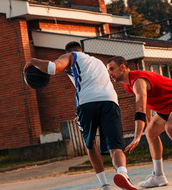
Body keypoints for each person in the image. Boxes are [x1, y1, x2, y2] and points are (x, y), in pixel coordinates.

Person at [24, 42, 137, 190]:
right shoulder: (97, 62)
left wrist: (33, 61)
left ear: (69, 52)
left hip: (87, 103)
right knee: (115, 146)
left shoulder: (70, 56)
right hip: (110, 101)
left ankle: (104, 184)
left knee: (90, 145)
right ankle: (123, 174)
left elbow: (52, 68)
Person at [106, 56, 172, 190]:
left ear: (122, 68)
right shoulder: (128, 85)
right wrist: (148, 122)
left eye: (112, 69)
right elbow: (146, 102)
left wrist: (137, 136)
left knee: (171, 128)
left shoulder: (138, 80)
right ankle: (158, 176)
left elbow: (140, 108)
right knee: (150, 132)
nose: (110, 74)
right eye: (108, 70)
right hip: (167, 105)